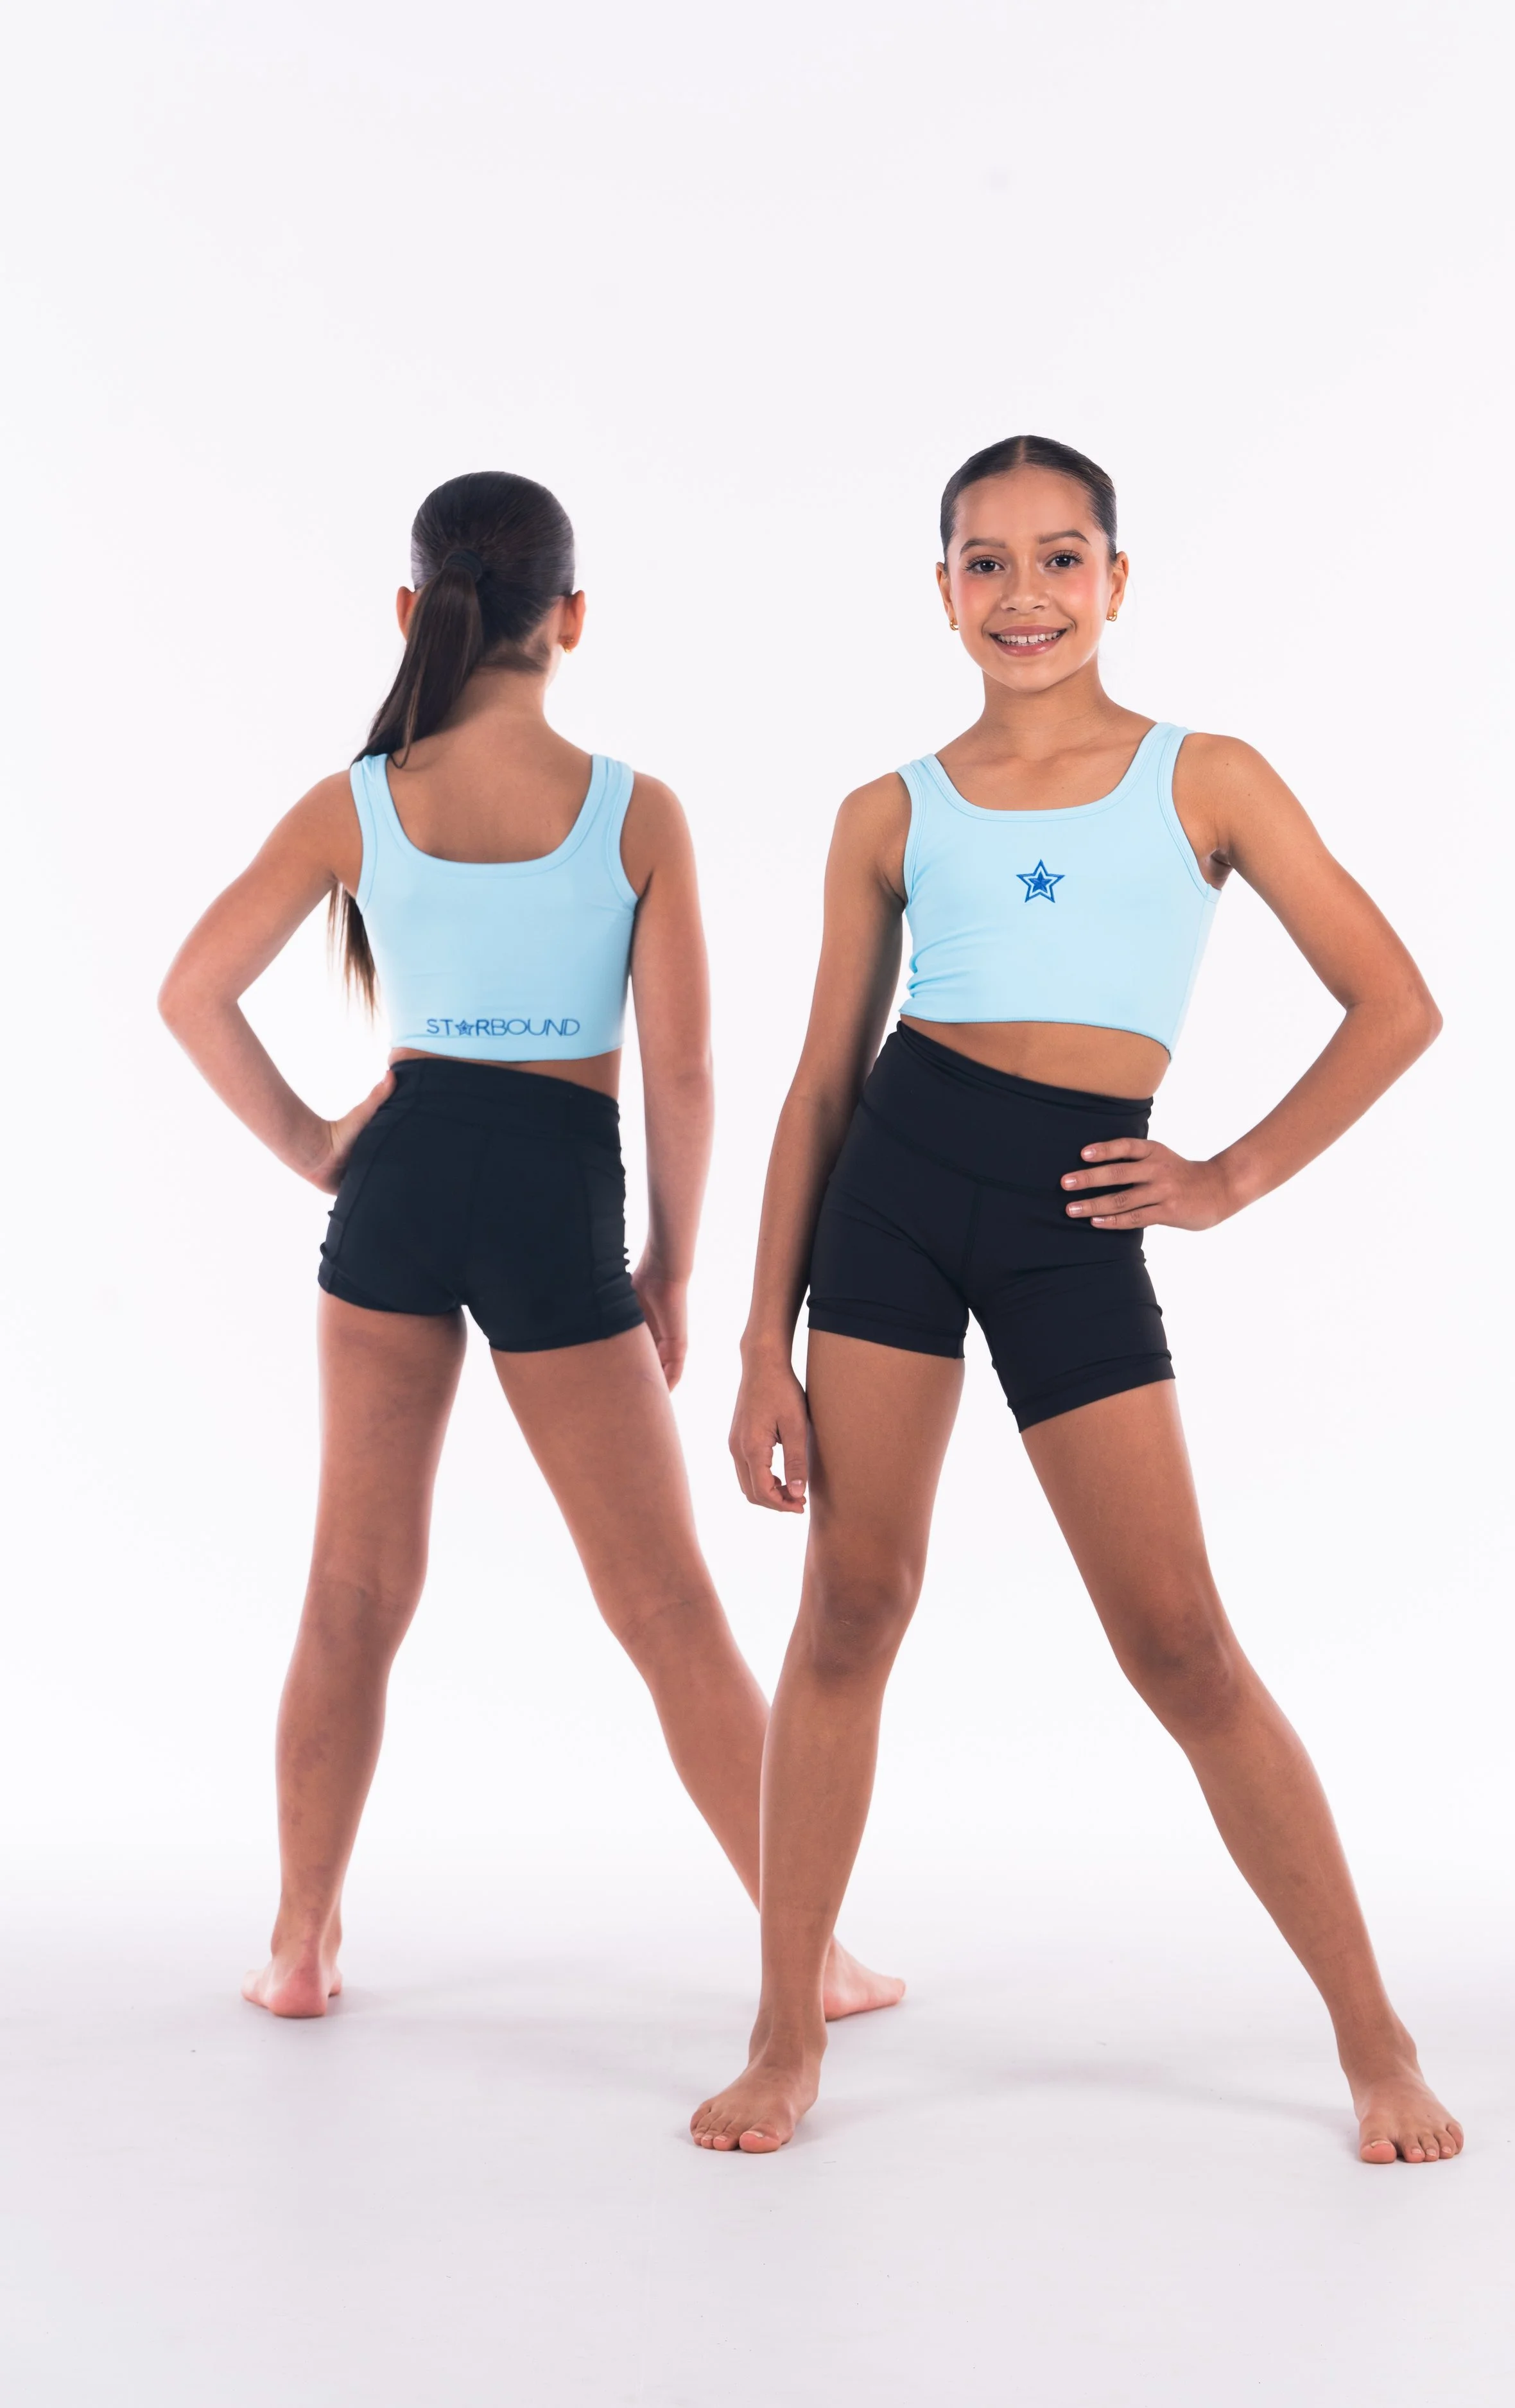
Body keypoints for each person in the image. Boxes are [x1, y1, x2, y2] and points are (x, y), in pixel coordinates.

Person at [692, 435, 1463, 2163]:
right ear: (942, 588)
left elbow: (1392, 1001)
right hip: (890, 1199)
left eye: (1058, 557)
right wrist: (759, 1331)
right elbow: (820, 1080)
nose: (1021, 593)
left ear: (1116, 579)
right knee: (849, 1603)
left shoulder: (1209, 779)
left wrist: (1227, 1174)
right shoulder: (887, 808)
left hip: (1072, 1214)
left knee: (1178, 1640)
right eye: (984, 561)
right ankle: (779, 2027)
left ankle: (1374, 2032)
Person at [159, 470, 898, 2023]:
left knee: (350, 1594)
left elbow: (191, 991)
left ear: (415, 612)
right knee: (667, 1609)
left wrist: (315, 1149)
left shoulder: (355, 802)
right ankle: (807, 1951)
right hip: (556, 1186)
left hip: (405, 1180)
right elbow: (685, 1070)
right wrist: (673, 1267)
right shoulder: (633, 809)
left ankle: (300, 1945)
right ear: (570, 620)